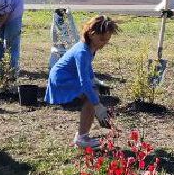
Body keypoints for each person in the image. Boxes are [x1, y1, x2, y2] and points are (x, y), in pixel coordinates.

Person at [45, 14, 120, 148]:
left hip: (67, 77)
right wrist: (98, 106)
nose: (104, 44)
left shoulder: (89, 48)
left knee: (93, 93)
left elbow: (87, 68)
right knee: (91, 97)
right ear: (91, 34)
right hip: (62, 79)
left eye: (107, 41)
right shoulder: (83, 52)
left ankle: (83, 136)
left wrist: (95, 80)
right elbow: (84, 83)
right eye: (102, 39)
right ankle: (82, 138)